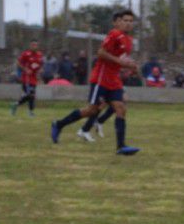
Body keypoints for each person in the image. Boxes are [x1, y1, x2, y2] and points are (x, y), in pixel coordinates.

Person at [51, 9, 140, 155]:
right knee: (91, 110)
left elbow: (120, 60)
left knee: (121, 108)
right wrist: (121, 62)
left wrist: (131, 67)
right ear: (120, 22)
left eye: (131, 21)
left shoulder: (129, 41)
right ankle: (59, 124)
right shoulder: (114, 34)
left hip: (114, 79)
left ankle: (121, 147)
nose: (128, 23)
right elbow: (101, 53)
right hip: (101, 78)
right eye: (126, 20)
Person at [11, 40, 43, 116]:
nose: (34, 46)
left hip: (34, 78)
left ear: (37, 46)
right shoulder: (26, 54)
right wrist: (25, 69)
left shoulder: (39, 54)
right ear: (30, 46)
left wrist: (40, 70)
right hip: (27, 78)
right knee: (30, 94)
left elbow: (39, 65)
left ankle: (17, 105)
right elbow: (18, 63)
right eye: (32, 45)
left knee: (32, 95)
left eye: (35, 45)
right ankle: (28, 111)